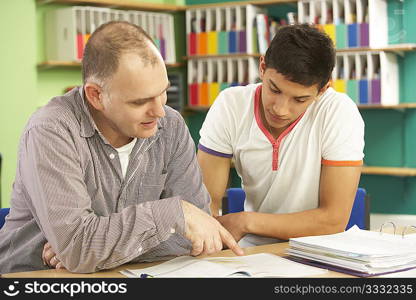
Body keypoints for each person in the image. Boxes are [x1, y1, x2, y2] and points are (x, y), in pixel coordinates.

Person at [0, 21, 243, 274]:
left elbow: (199, 234)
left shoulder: (170, 125)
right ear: (96, 95)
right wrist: (172, 214)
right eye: (140, 101)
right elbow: (80, 249)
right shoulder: (51, 130)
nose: (159, 111)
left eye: (162, 93)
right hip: (34, 278)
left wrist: (95, 251)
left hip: (131, 274)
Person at [197, 24, 365, 247]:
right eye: (274, 89)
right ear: (262, 67)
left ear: (323, 89)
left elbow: (332, 221)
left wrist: (247, 221)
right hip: (251, 253)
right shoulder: (230, 105)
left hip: (319, 250)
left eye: (300, 99)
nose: (280, 109)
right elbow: (203, 203)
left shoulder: (339, 112)